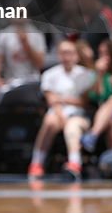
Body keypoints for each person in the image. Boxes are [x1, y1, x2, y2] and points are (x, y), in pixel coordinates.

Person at [27, 40, 95, 181]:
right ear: (58, 55)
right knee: (50, 121)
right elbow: (51, 100)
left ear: (76, 55)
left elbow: (85, 102)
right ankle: (37, 162)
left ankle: (74, 164)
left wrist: (62, 99)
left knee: (72, 127)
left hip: (79, 115)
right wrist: (61, 114)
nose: (66, 56)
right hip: (57, 113)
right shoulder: (50, 74)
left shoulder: (86, 74)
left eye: (70, 53)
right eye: (63, 53)